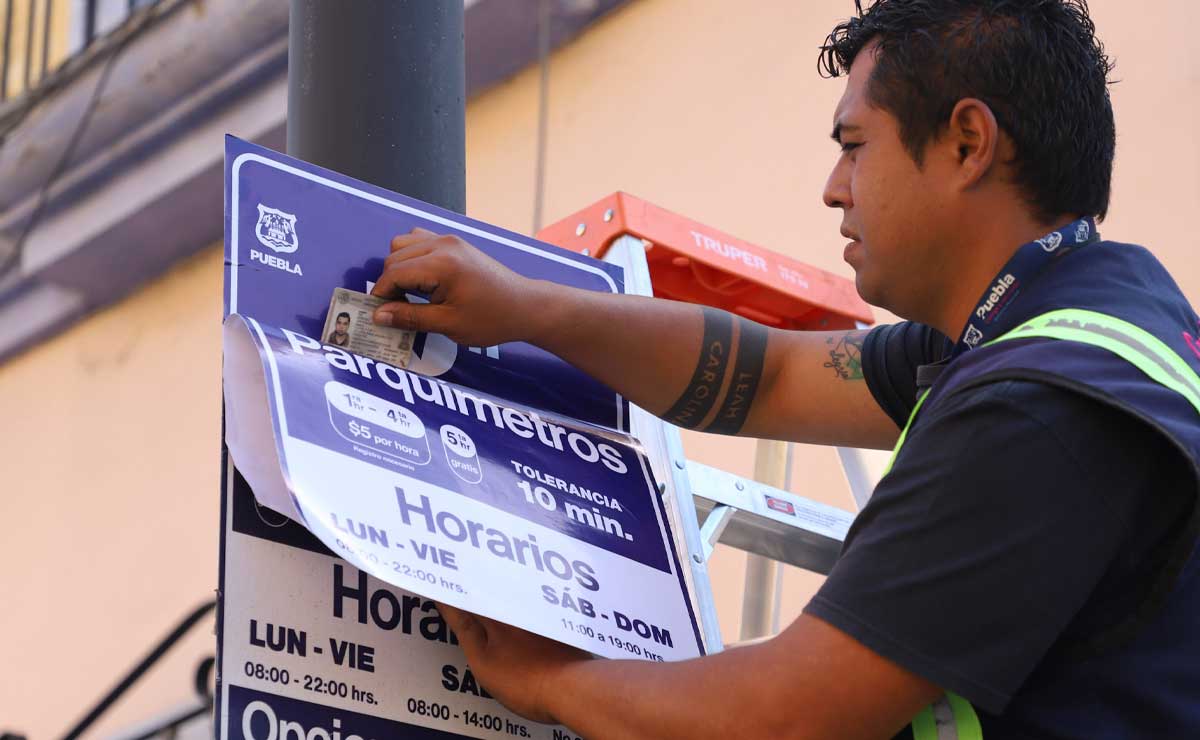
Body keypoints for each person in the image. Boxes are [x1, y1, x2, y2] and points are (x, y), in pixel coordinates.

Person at [370, 1, 1200, 737]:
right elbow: (764, 376)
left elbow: (780, 718)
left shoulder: (1035, 406)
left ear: (967, 143)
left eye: (854, 145)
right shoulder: (1082, 324)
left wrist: (545, 682)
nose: (834, 188)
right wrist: (527, 307)